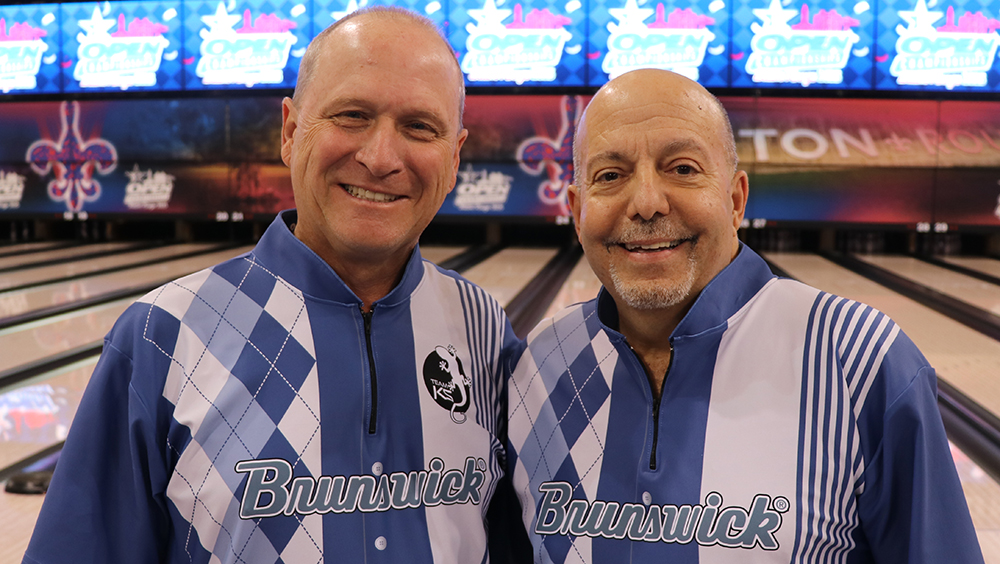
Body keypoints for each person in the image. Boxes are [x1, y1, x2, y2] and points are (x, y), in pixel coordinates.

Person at [24, 8, 518, 563]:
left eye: (420, 127)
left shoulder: (485, 331)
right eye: (351, 116)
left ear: (454, 158)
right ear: (290, 131)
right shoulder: (163, 337)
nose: (380, 158)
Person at [505, 69, 984, 563]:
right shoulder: (540, 365)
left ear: (735, 200)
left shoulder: (859, 361)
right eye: (610, 176)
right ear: (577, 209)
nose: (646, 203)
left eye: (683, 168)